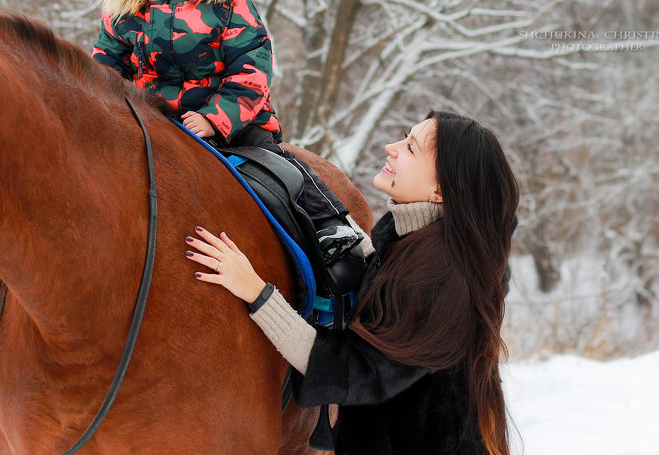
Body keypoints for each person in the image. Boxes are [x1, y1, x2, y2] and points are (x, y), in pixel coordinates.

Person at [186, 111, 520, 455]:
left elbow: (351, 368)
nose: (392, 147)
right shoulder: (427, 247)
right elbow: (385, 280)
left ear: (440, 188)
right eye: (404, 137)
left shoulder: (443, 281)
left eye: (411, 148)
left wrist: (256, 292)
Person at [93, 0, 364, 263]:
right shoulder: (126, 11)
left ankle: (328, 223)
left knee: (275, 168)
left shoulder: (226, 4)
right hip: (156, 121)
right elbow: (105, 69)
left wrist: (215, 118)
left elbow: (252, 67)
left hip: (234, 122)